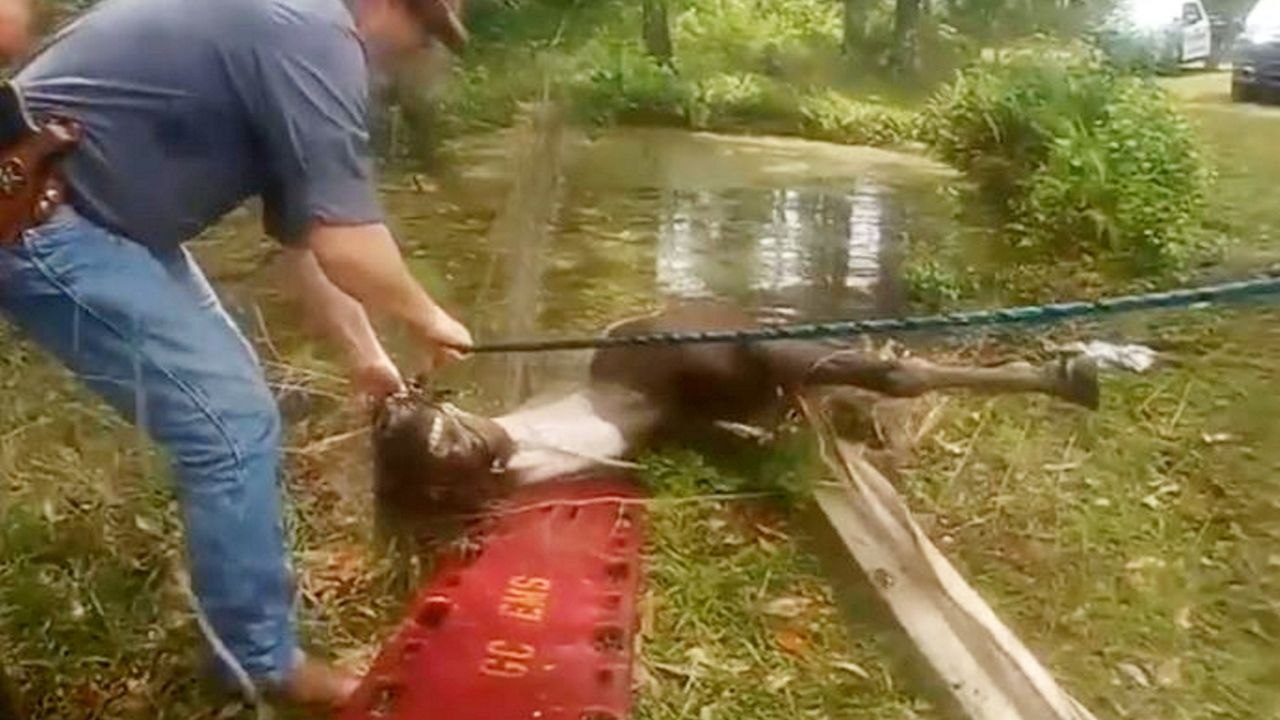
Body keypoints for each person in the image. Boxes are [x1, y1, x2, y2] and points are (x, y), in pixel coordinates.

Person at [0, 0, 474, 710]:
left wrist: (367, 358)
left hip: (97, 215)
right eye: (424, 29)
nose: (420, 51)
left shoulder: (291, 32)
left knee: (238, 416)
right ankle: (257, 661)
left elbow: (309, 242)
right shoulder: (319, 38)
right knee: (230, 429)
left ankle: (247, 623)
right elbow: (349, 241)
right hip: (40, 208)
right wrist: (429, 316)